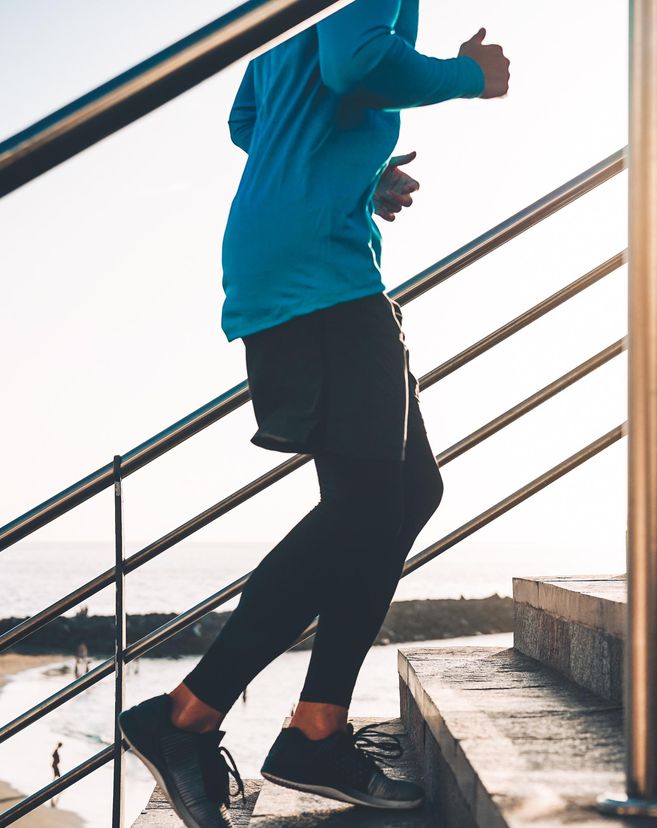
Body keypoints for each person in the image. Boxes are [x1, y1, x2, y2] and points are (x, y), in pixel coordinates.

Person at [118, 2, 510, 826]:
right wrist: (467, 77)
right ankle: (189, 715)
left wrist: (355, 176)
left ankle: (316, 726)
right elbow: (358, 65)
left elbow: (249, 116)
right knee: (370, 505)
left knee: (406, 494)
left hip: (296, 265)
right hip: (320, 279)